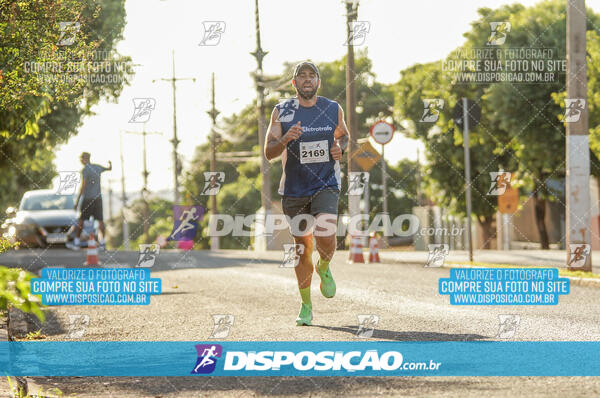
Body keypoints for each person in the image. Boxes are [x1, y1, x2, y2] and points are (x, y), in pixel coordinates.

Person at [264, 61, 350, 326]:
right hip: (294, 190)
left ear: (318, 82)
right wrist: (286, 138)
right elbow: (269, 152)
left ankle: (324, 265)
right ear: (295, 84)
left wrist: (341, 149)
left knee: (326, 234)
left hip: (326, 183)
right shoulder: (282, 111)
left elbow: (344, 136)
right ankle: (306, 306)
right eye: (301, 76)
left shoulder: (332, 108)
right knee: (302, 250)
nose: (307, 80)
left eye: (311, 75)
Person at [68, 152, 111, 250]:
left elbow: (83, 186)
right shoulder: (97, 167)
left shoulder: (85, 170)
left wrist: (77, 201)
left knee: (81, 220)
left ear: (85, 159)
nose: (80, 160)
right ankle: (103, 243)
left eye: (81, 158)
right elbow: (109, 169)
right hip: (98, 198)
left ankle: (77, 242)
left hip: (88, 199)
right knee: (100, 220)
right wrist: (110, 164)